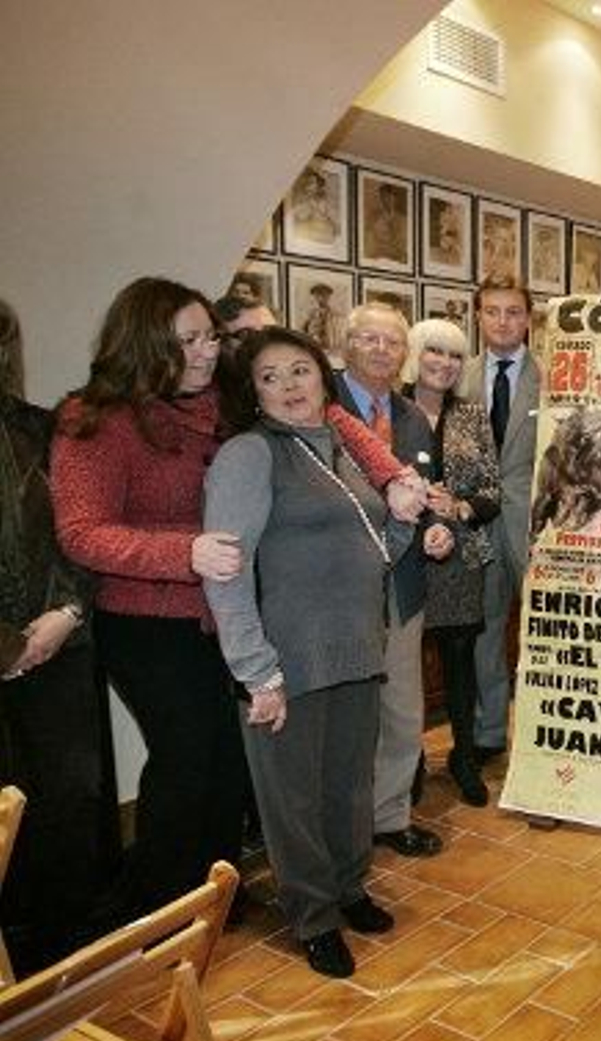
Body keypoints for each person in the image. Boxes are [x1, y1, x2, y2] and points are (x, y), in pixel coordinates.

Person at [51, 277, 410, 926]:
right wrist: (182, 551)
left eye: (209, 337)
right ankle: (155, 916)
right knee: (189, 764)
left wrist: (396, 480)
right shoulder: (96, 418)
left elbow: (338, 424)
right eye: (186, 341)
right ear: (144, 343)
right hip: (149, 621)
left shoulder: (221, 399)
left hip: (224, 609)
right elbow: (81, 533)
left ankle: (213, 891)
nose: (206, 352)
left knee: (230, 766)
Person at [205, 326, 414, 978]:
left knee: (349, 786)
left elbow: (379, 556)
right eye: (270, 376)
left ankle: (349, 887)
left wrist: (404, 519)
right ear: (251, 392)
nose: (290, 385)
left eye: (300, 369)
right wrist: (255, 671)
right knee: (292, 799)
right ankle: (314, 916)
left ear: (322, 376)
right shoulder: (249, 454)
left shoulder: (343, 449)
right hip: (286, 662)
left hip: (358, 650)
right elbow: (226, 571)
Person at [0, 299, 118, 974]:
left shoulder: (47, 430)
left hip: (59, 646)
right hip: (14, 649)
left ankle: (67, 957)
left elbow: (82, 530)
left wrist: (66, 613)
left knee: (70, 799)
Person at [334, 303, 454, 857]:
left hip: (401, 584)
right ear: (346, 343)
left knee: (404, 709)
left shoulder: (410, 418)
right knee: (346, 714)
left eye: (392, 342)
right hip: (335, 586)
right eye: (369, 339)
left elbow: (426, 495)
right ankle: (343, 823)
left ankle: (390, 816)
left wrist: (437, 529)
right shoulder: (318, 406)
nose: (382, 350)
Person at [402, 318, 501, 807]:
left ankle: (463, 757)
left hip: (461, 558)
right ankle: (409, 763)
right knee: (404, 670)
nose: (444, 363)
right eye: (434, 351)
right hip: (402, 554)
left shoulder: (472, 415)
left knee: (459, 665)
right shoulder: (391, 408)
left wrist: (460, 507)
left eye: (456, 355)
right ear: (415, 353)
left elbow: (491, 491)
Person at [458, 275, 542, 811]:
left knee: (543, 633)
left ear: (528, 319)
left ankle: (541, 734)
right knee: (484, 635)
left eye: (513, 312)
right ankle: (490, 734)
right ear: (479, 318)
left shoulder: (554, 377)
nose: (503, 322)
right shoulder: (458, 377)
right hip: (476, 528)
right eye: (492, 312)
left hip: (537, 527)